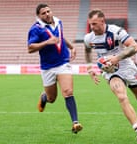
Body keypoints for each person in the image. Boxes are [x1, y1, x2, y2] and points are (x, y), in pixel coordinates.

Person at [84, 9, 137, 142]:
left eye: (95, 24)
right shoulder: (89, 38)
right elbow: (87, 51)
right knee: (121, 96)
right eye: (90, 24)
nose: (92, 27)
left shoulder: (116, 31)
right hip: (111, 72)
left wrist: (117, 58)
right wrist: (90, 67)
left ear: (102, 21)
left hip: (127, 67)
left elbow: (134, 47)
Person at [27, 3, 82, 133]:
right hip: (47, 67)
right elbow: (30, 48)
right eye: (43, 13)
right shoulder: (36, 29)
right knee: (52, 99)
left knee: (68, 91)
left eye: (48, 11)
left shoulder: (58, 22)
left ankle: (75, 123)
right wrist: (47, 42)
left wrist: (71, 47)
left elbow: (61, 37)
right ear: (39, 16)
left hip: (63, 62)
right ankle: (44, 97)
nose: (47, 14)